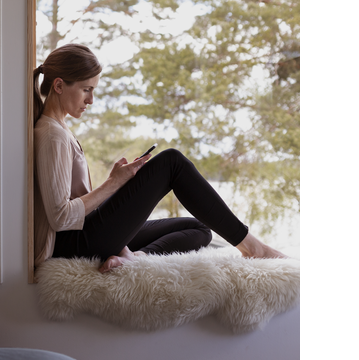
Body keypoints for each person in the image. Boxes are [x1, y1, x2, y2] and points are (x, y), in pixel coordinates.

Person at [32, 44, 286, 274]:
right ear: (59, 85)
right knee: (171, 162)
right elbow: (60, 217)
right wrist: (114, 184)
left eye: (93, 90)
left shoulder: (61, 128)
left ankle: (135, 257)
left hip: (85, 232)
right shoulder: (52, 134)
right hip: (71, 243)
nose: (91, 100)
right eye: (86, 90)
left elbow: (74, 202)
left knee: (200, 228)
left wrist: (118, 183)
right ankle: (254, 247)